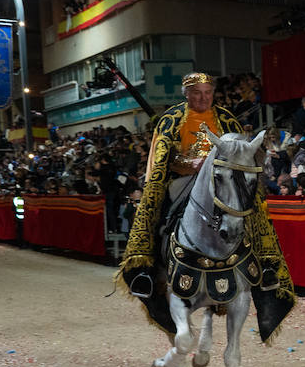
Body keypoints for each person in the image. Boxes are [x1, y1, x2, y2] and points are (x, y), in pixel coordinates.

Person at [118, 72, 293, 329]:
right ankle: (148, 267)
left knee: (251, 208)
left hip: (222, 179)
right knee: (157, 207)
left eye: (208, 92)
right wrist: (189, 164)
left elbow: (241, 152)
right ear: (186, 94)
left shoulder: (226, 118)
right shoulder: (171, 119)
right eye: (197, 93)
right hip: (183, 178)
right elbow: (162, 158)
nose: (203, 98)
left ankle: (264, 263)